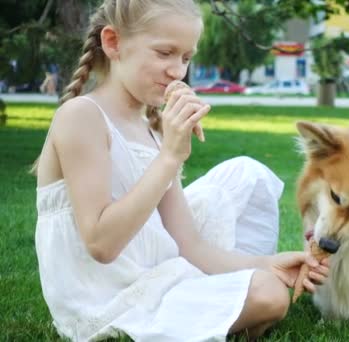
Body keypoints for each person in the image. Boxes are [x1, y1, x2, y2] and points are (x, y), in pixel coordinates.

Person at [33, 1, 329, 341]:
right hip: (104, 300)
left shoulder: (151, 128)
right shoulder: (81, 116)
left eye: (186, 58)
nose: (178, 71)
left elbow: (190, 246)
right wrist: (170, 157)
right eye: (165, 53)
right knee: (269, 295)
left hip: (156, 270)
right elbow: (101, 244)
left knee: (247, 178)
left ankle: (212, 305)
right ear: (113, 43)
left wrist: (267, 262)